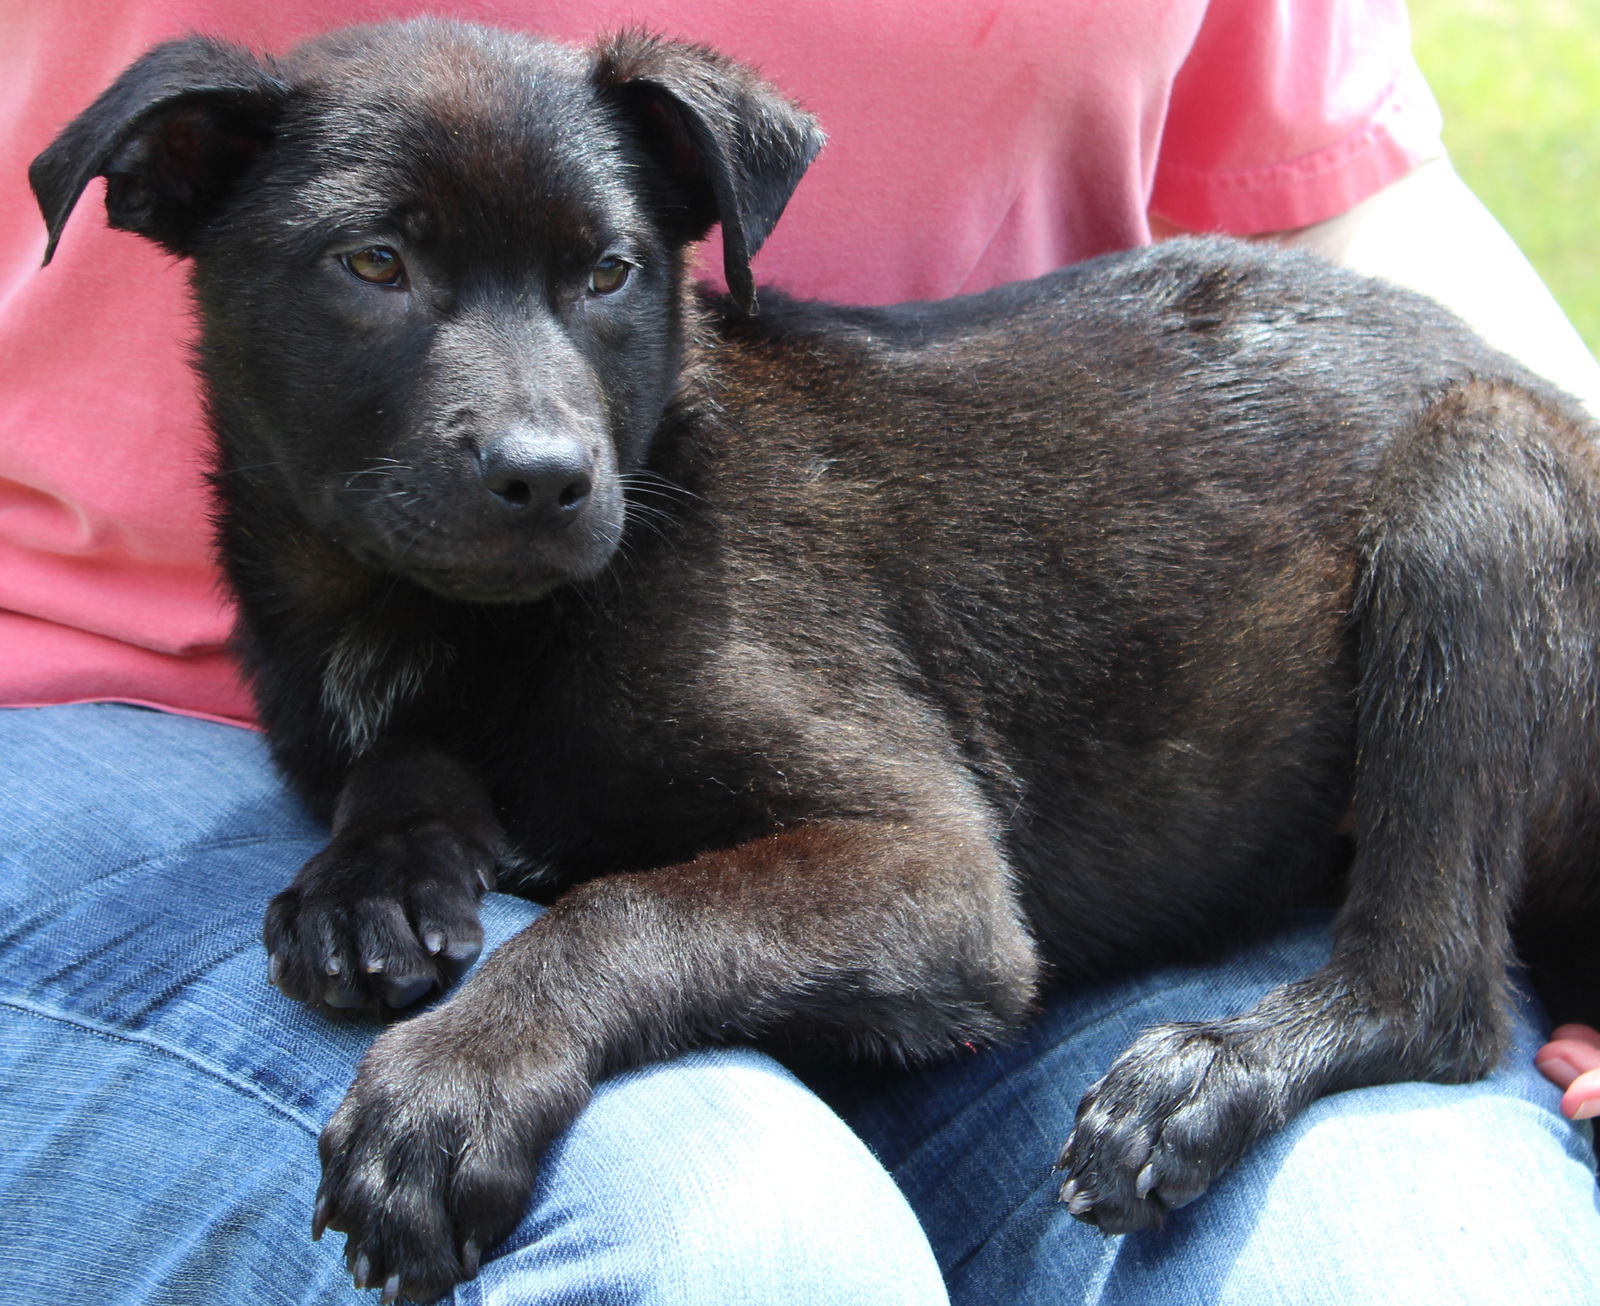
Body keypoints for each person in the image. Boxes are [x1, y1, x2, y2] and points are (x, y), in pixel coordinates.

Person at [4, 2, 1599, 1303]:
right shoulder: (423, 621)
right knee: (728, 1248)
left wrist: (564, 976)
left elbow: (933, 906)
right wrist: (406, 821)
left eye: (602, 275)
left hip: (1318, 852)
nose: (541, 429)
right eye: (381, 265)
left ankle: (1406, 998)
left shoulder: (686, 588)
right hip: (102, 749)